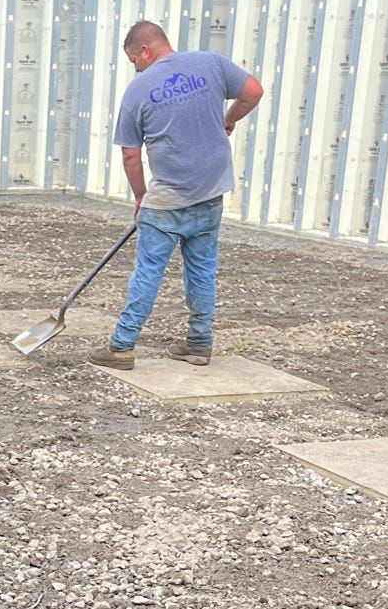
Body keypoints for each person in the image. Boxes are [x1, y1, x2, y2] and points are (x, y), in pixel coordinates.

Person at [90, 21, 262, 370]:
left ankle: (122, 346)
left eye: (134, 60)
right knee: (201, 269)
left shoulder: (138, 90)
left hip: (167, 200)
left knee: (148, 271)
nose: (135, 68)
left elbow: (129, 154)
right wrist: (228, 120)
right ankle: (199, 344)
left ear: (145, 51)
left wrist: (140, 197)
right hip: (210, 192)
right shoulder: (211, 63)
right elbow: (253, 92)